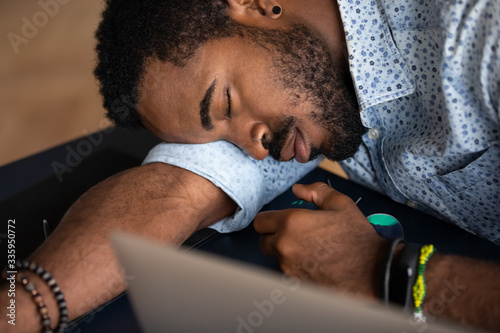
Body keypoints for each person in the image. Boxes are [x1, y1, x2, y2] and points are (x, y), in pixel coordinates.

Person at [1, 0, 499, 332]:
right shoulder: (311, 82)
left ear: (259, 5)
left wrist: (379, 271)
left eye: (224, 104)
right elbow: (175, 189)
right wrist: (20, 309)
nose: (255, 149)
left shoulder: (482, 34)